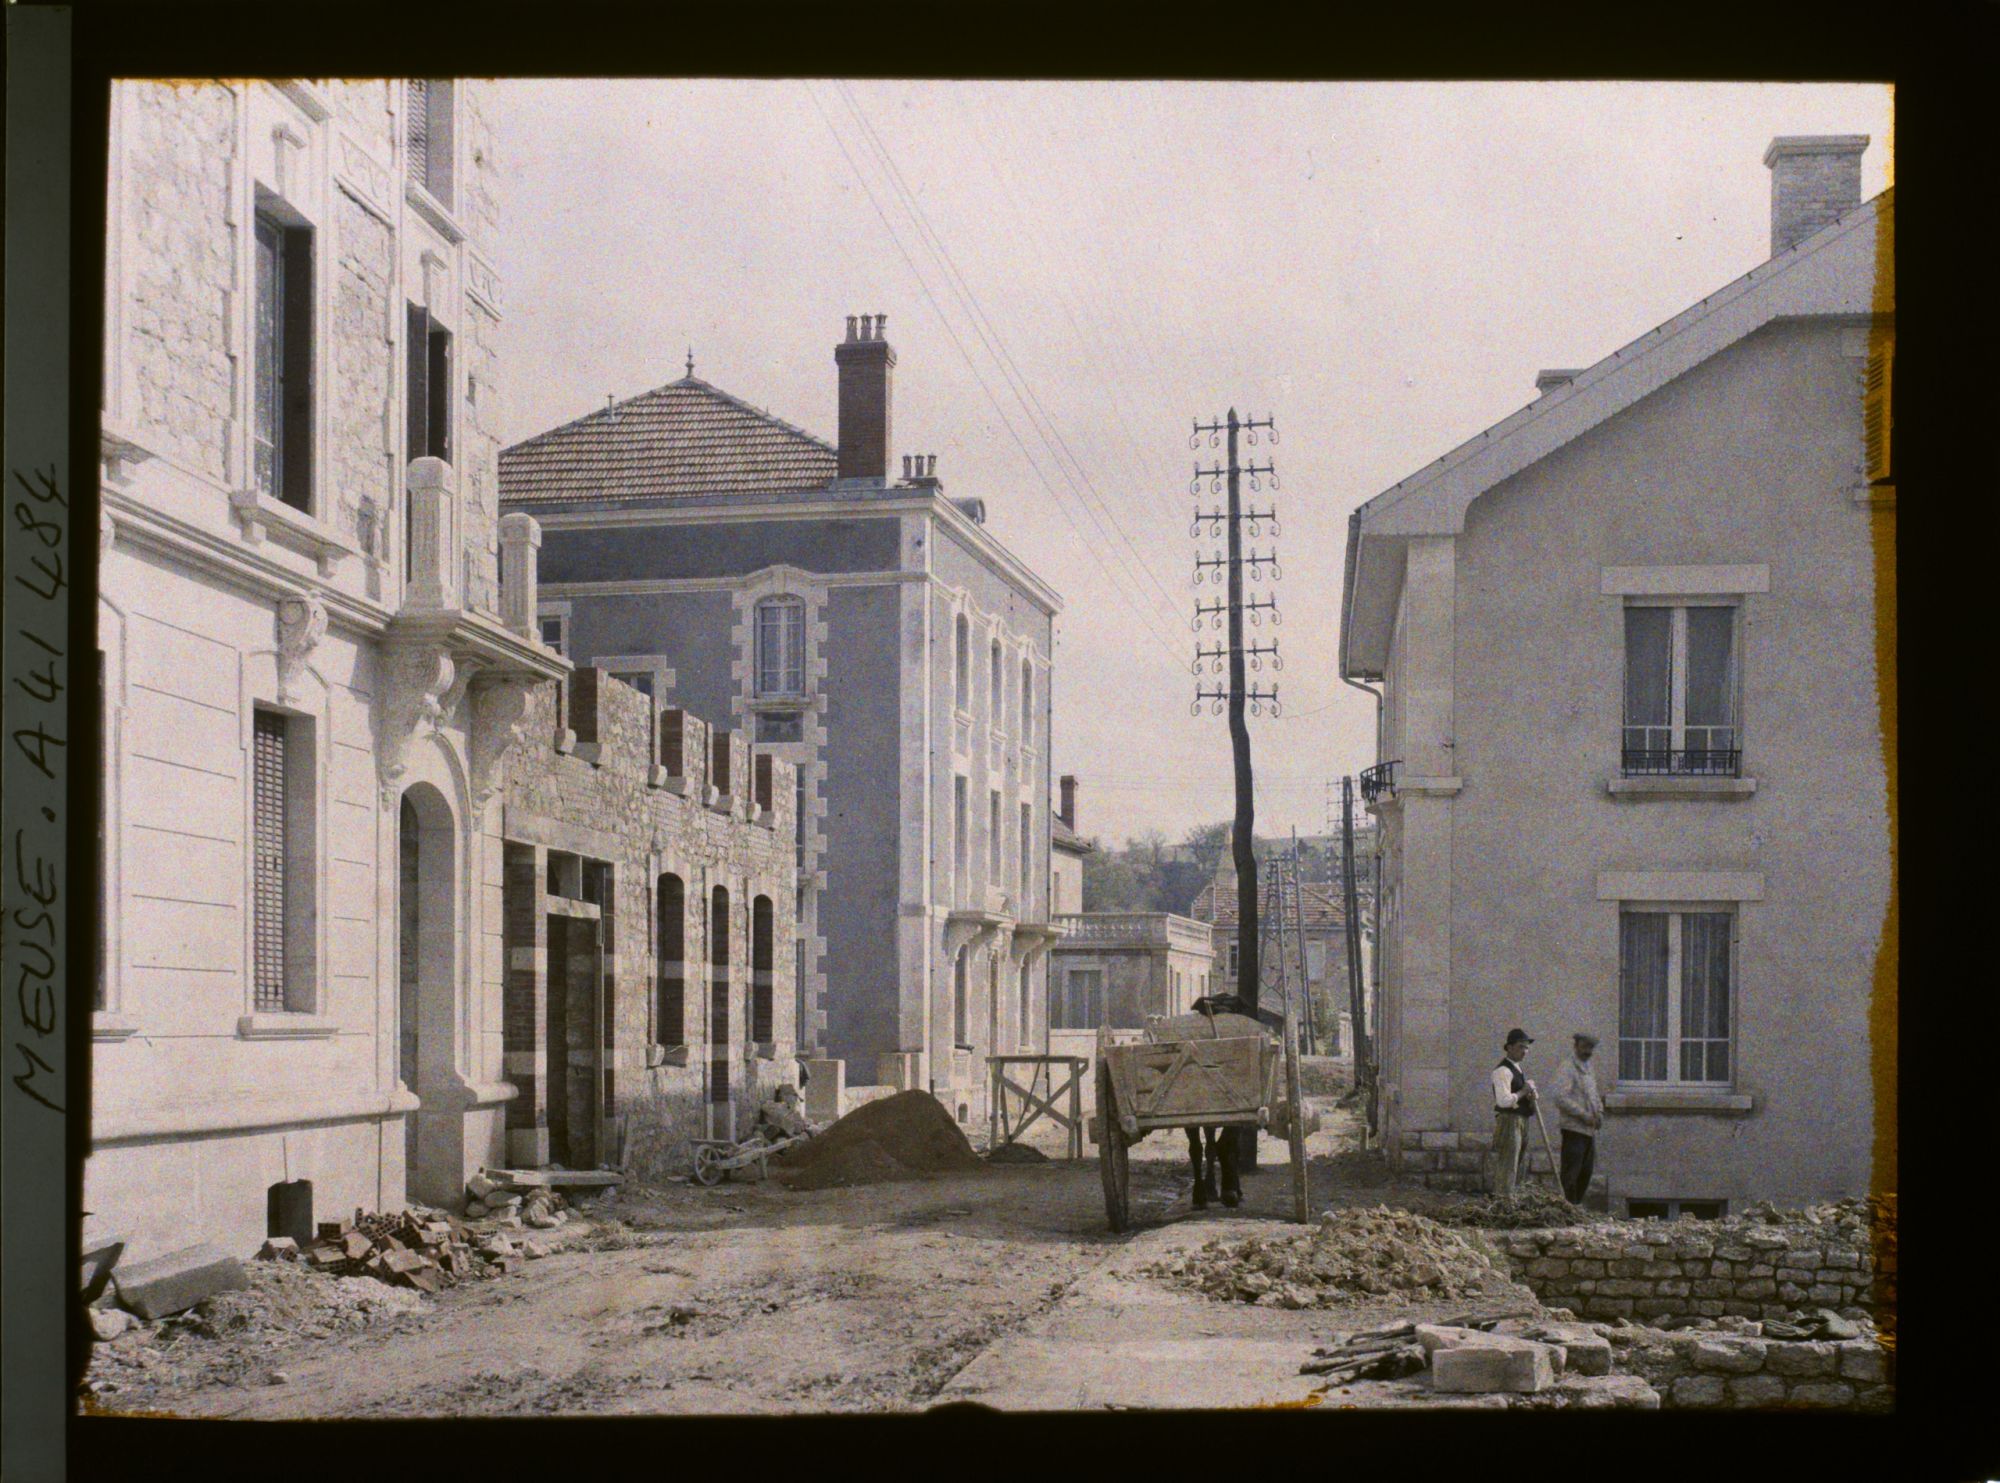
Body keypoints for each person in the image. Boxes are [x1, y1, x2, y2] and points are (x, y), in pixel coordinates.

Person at [1550, 1032, 1604, 1204]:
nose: (1587, 1051)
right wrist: (1584, 1115)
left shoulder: (1588, 1069)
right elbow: (1560, 1098)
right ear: (1576, 1046)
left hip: (1589, 1130)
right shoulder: (1568, 1068)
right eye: (1584, 1047)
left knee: (1585, 1172)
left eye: (1590, 1048)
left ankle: (1575, 1207)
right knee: (1571, 1173)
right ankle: (1567, 1208)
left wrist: (1599, 1113)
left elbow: (1594, 1095)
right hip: (1573, 1128)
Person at [1490, 1028, 1537, 1197]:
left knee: (1519, 1163)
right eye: (1520, 1047)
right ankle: (1503, 1201)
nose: (1524, 1051)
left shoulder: (1518, 1069)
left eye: (1526, 1048)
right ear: (1509, 1048)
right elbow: (1503, 1101)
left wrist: (1531, 1095)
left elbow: (1520, 1094)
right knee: (1508, 1163)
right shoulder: (1502, 1071)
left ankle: (1513, 1199)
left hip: (1521, 1120)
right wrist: (1524, 1091)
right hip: (1509, 1121)